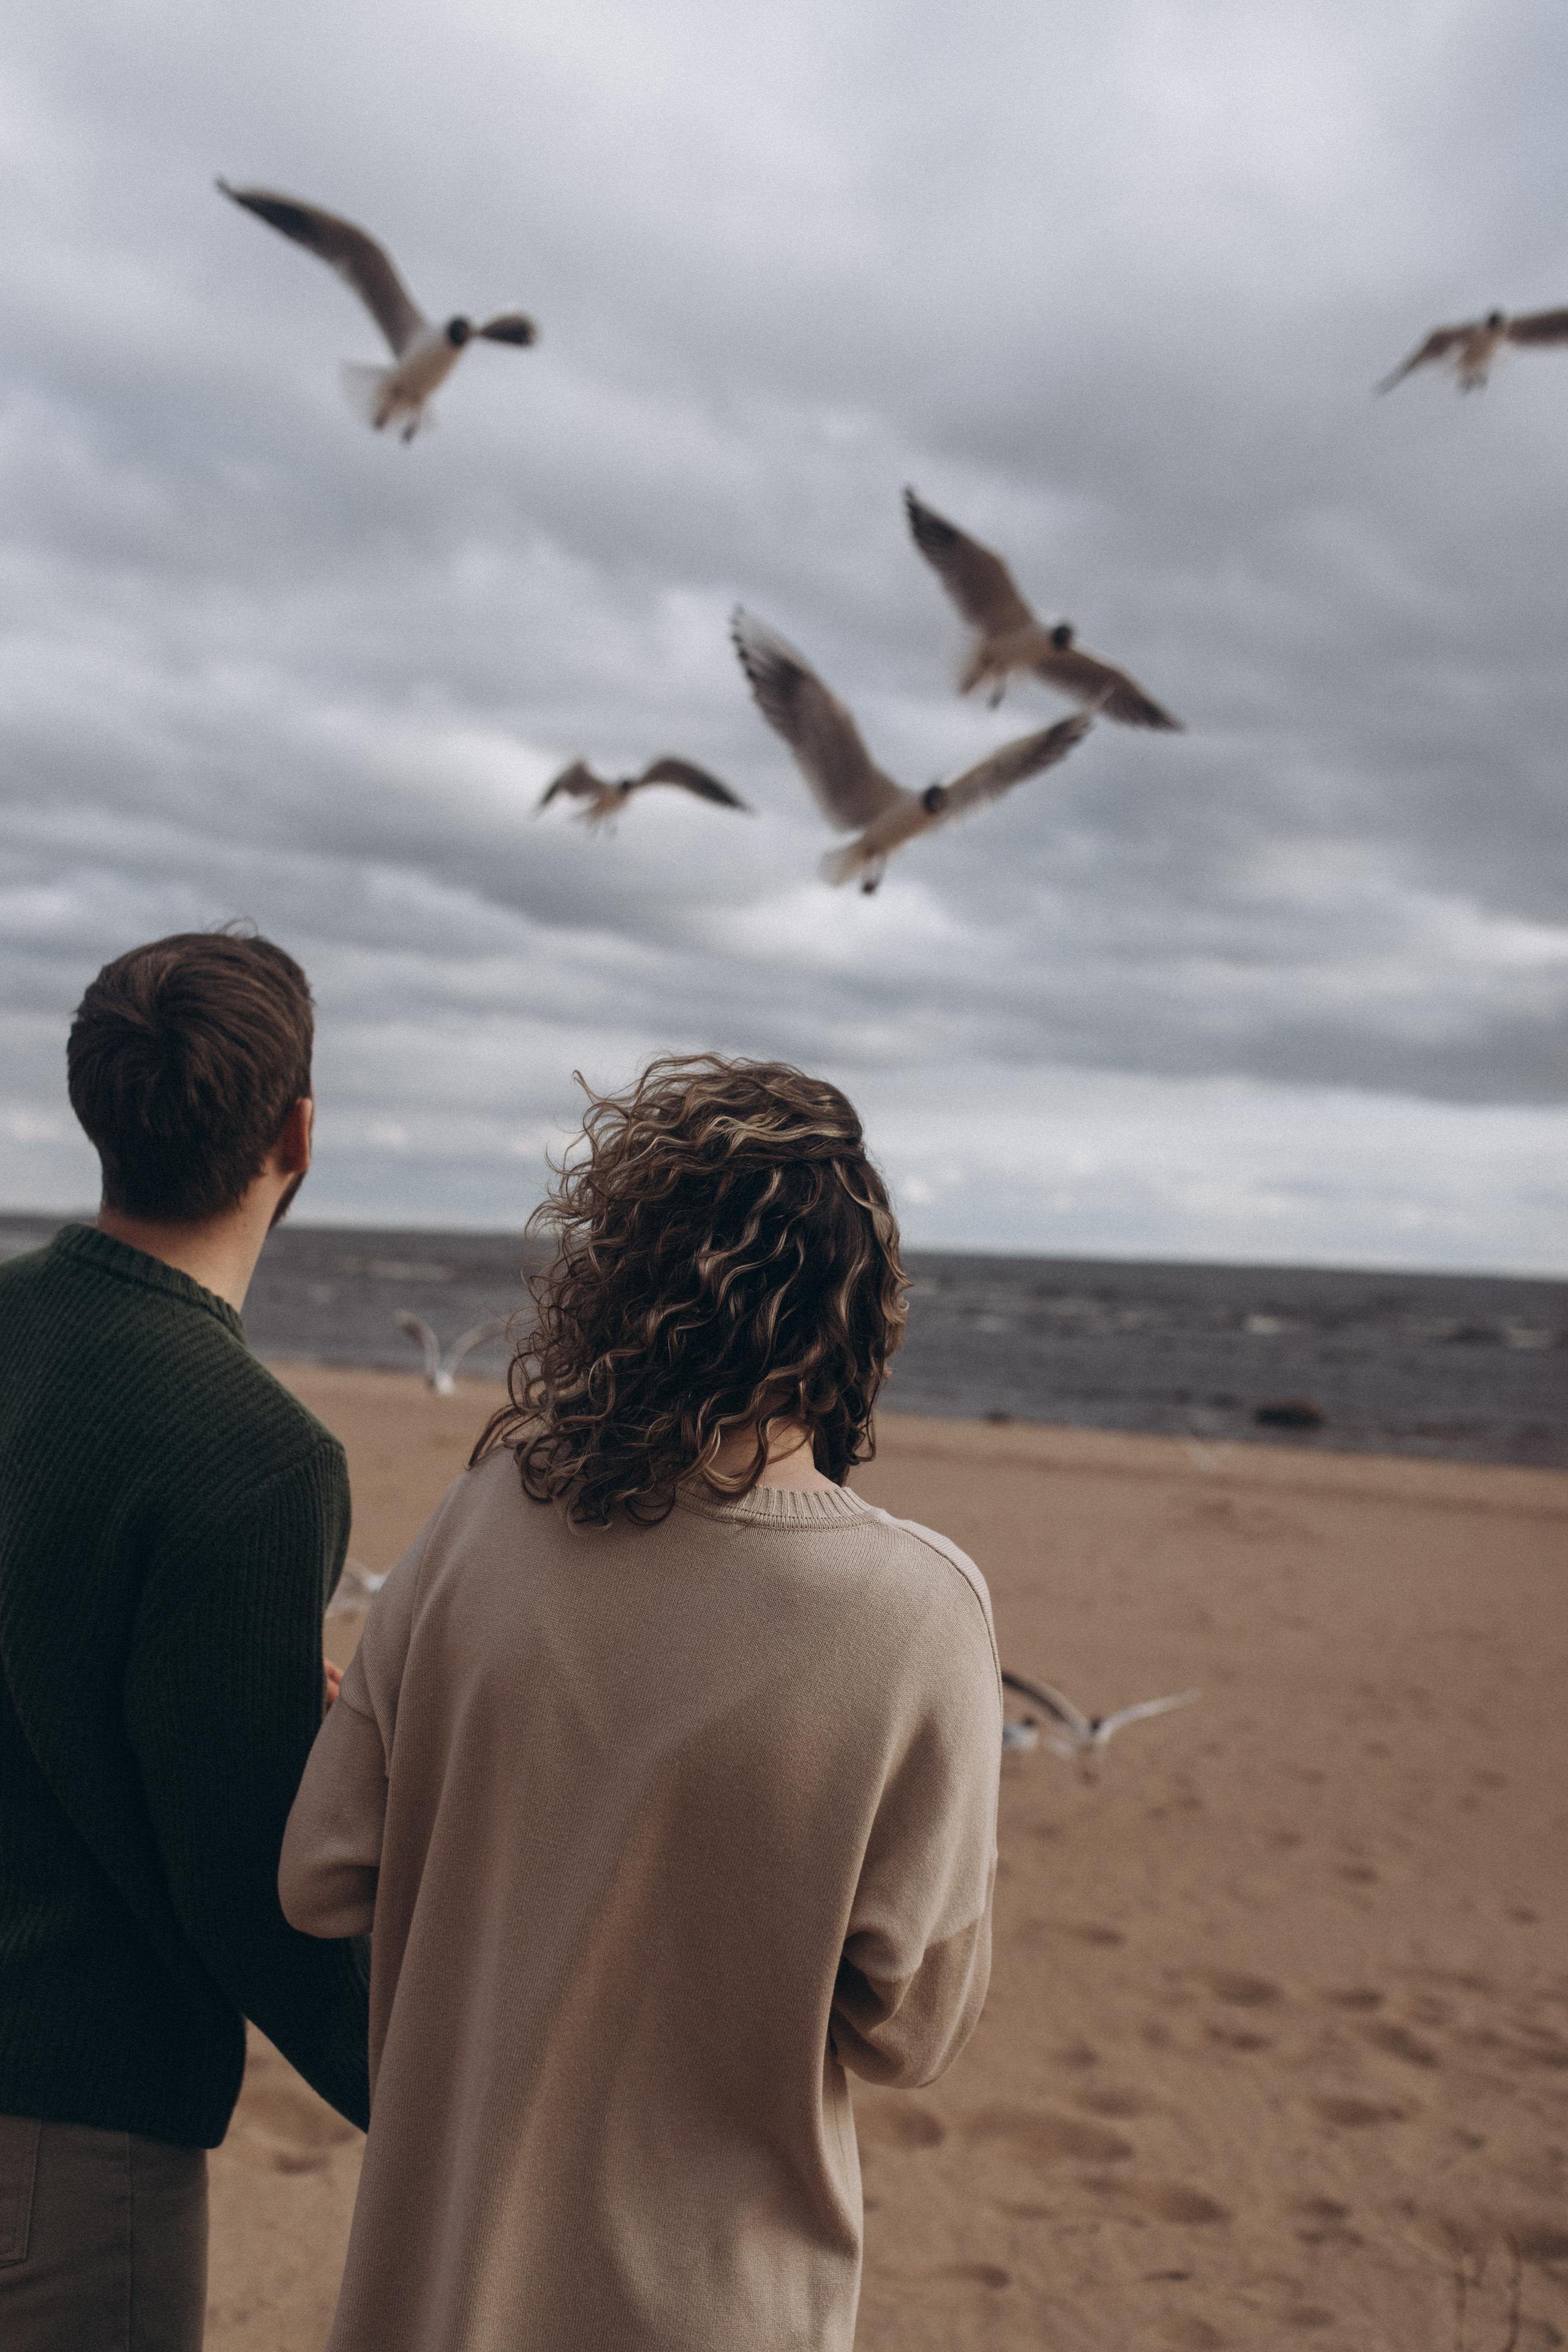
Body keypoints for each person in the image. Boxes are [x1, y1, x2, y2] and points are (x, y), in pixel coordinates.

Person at [280, 1052, 1002, 2352]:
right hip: (710, 2308)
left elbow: (318, 1878)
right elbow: (911, 2030)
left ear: (619, 1278)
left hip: (430, 2295)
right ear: (854, 1314)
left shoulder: (477, 1520)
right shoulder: (918, 1611)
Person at [0, 929, 371, 2351]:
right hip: (67, 2134)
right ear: (298, 1134)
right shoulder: (254, 1458)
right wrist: (417, 2086)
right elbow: (246, 1883)